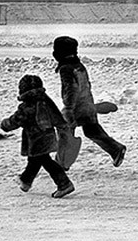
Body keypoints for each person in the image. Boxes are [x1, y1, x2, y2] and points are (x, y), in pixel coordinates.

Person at [52, 36, 126, 170]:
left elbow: (71, 89)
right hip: (86, 103)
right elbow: (86, 84)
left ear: (58, 53)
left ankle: (61, 163)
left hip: (75, 107)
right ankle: (116, 149)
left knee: (66, 133)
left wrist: (68, 108)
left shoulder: (66, 69)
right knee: (92, 131)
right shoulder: (79, 66)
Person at [0, 74, 75, 199]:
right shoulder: (45, 100)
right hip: (47, 135)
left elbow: (16, 120)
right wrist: (62, 126)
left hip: (35, 139)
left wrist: (5, 124)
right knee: (35, 160)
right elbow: (56, 115)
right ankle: (26, 181)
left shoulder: (27, 107)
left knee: (45, 161)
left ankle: (64, 184)